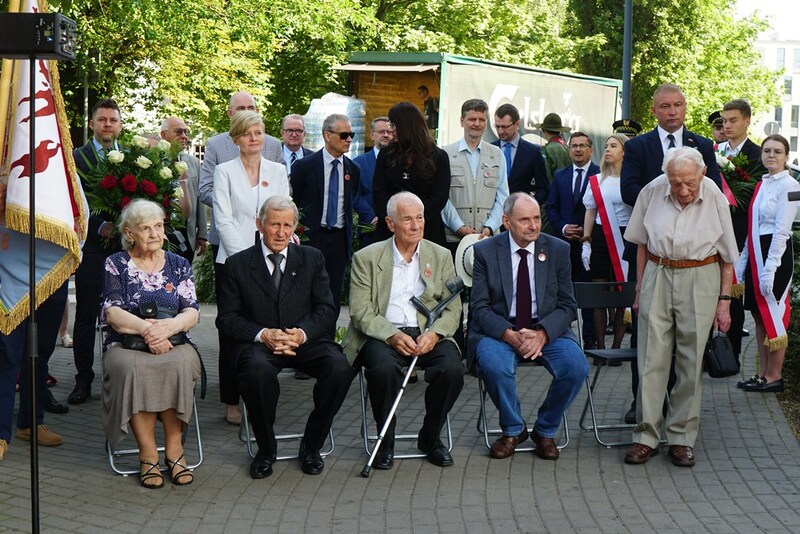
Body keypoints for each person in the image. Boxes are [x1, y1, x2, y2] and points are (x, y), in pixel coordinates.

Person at [216, 196, 355, 479]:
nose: (281, 233)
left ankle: (312, 445)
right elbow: (227, 319)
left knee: (340, 368)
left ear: (294, 227)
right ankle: (266, 449)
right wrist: (263, 334)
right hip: (260, 343)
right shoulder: (237, 264)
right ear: (259, 224)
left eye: (287, 225)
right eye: (274, 225)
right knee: (256, 373)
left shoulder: (312, 258)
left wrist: (301, 333)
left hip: (304, 340)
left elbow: (326, 308)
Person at [623, 147, 738, 467]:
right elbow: (641, 245)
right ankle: (645, 436)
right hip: (658, 272)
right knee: (650, 358)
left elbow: (728, 256)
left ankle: (681, 438)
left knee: (691, 360)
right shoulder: (652, 191)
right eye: (676, 183)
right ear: (667, 176)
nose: (683, 190)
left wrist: (724, 302)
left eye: (689, 182)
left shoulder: (714, 195)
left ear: (702, 174)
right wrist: (640, 289)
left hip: (700, 275)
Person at [619, 83, 721, 423]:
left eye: (678, 105)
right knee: (648, 338)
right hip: (652, 250)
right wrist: (666, 195)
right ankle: (643, 405)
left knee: (688, 345)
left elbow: (713, 190)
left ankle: (679, 412)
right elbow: (628, 189)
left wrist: (686, 199)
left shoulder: (702, 145)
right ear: (654, 110)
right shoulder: (638, 146)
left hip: (694, 256)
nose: (672, 111)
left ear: (685, 107)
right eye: (665, 106)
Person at [343, 192, 464, 470]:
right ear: (390, 223)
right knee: (383, 370)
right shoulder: (367, 258)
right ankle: (385, 442)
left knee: (452, 370)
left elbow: (453, 308)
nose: (416, 225)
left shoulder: (441, 255)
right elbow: (360, 311)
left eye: (419, 217)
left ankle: (430, 438)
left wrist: (435, 334)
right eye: (407, 219)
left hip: (427, 333)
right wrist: (393, 335)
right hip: (383, 334)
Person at [468, 192, 589, 460]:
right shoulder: (485, 251)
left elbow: (568, 305)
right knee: (494, 365)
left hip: (545, 329)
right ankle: (513, 430)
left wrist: (542, 334)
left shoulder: (557, 250)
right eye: (524, 220)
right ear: (506, 222)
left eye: (536, 218)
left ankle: (545, 430)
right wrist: (508, 334)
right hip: (500, 330)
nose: (533, 226)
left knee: (576, 366)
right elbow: (479, 307)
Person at [101, 199, 202, 488]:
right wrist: (149, 331)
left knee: (179, 365)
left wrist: (168, 328)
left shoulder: (179, 264)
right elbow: (113, 313)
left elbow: (192, 311)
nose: (155, 233)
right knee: (135, 370)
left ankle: (175, 450)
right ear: (129, 233)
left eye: (158, 226)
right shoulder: (115, 263)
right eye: (146, 228)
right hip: (125, 343)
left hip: (175, 339)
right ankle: (147, 454)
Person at [69, 98, 123, 406]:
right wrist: (98, 226)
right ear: (92, 124)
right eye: (102, 120)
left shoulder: (133, 158)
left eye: (113, 120)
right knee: (87, 316)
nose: (107, 125)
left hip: (124, 249)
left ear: (120, 125)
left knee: (123, 313)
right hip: (91, 248)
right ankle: (83, 379)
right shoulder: (77, 158)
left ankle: (119, 377)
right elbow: (72, 200)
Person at [735, 135, 800, 393]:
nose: (771, 155)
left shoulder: (790, 185)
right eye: (767, 151)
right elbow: (754, 226)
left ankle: (775, 376)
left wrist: (770, 268)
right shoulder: (762, 184)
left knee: (773, 312)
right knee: (758, 315)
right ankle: (762, 374)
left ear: (786, 156)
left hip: (776, 255)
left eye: (777, 151)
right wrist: (743, 262)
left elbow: (782, 230)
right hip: (757, 251)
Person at [290, 113, 361, 319]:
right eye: (344, 135)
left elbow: (351, 201)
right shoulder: (304, 166)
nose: (349, 139)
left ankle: (328, 336)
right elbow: (295, 201)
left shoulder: (353, 169)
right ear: (327, 136)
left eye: (351, 135)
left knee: (333, 295)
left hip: (339, 240)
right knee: (306, 292)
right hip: (311, 238)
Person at [1, 282, 70, 461]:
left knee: (39, 353)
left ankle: (31, 423)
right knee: (7, 355)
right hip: (11, 279)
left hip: (51, 275)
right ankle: (1, 434)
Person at [718, 99, 765, 363]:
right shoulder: (714, 150)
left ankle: (731, 355)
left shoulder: (757, 155)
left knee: (732, 293)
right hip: (713, 230)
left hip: (740, 231)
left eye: (733, 120)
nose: (727, 125)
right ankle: (709, 352)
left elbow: (754, 194)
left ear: (747, 121)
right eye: (724, 121)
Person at [545, 131, 600, 348]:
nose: (577, 149)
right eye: (574, 146)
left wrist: (588, 231)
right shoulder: (561, 175)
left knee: (588, 294)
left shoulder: (599, 174)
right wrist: (564, 228)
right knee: (562, 292)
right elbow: (551, 207)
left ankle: (590, 340)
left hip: (590, 244)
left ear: (590, 149)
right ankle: (563, 338)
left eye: (582, 146)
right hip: (564, 244)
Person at [372, 103, 451, 247]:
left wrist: (412, 220)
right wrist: (394, 220)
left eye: (394, 126)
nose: (391, 131)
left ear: (407, 126)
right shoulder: (386, 154)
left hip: (426, 231)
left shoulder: (439, 157)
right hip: (390, 230)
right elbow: (379, 191)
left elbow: (439, 197)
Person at [580, 133, 631, 349]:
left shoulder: (632, 180)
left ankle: (617, 346)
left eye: (614, 146)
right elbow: (590, 211)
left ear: (625, 152)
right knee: (599, 294)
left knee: (623, 293)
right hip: (601, 237)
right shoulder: (597, 180)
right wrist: (586, 242)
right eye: (607, 146)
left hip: (627, 236)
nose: (608, 149)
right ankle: (601, 348)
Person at [442, 98, 509, 253]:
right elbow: (442, 198)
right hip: (453, 238)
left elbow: (503, 195)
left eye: (482, 120)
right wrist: (458, 227)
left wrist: (490, 226)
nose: (477, 124)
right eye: (472, 119)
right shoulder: (446, 154)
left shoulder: (497, 154)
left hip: (488, 238)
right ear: (462, 121)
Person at [160, 116, 208, 264]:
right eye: (178, 132)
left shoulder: (193, 162)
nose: (184, 136)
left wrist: (202, 234)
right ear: (164, 135)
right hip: (162, 231)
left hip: (187, 231)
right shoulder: (154, 160)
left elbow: (200, 198)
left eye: (186, 132)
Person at [492, 103, 549, 204]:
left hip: (520, 210)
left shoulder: (532, 152)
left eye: (505, 127)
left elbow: (543, 188)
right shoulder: (489, 149)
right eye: (497, 126)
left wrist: (529, 206)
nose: (500, 131)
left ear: (517, 124)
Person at [353, 115, 392, 248]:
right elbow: (355, 194)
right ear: (372, 135)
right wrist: (372, 216)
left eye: (389, 132)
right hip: (370, 229)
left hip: (397, 229)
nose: (386, 135)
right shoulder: (358, 163)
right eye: (381, 132)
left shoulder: (401, 161)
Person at [532, 112, 571, 184]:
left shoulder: (549, 149)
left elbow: (546, 177)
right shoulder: (566, 146)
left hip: (553, 188)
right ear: (559, 131)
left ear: (543, 130)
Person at [280, 114, 313, 178]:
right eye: (290, 130)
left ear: (304, 134)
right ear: (282, 133)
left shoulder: (313, 158)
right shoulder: (272, 156)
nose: (294, 134)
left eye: (298, 131)